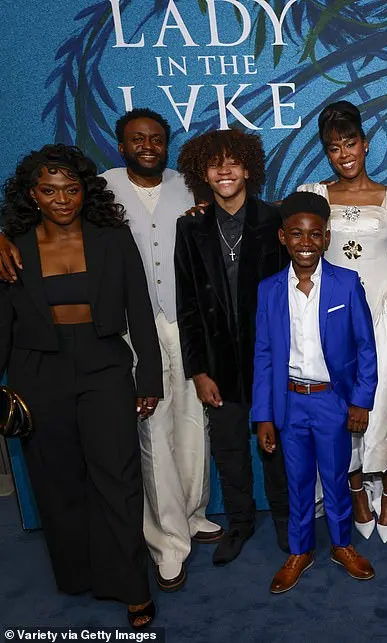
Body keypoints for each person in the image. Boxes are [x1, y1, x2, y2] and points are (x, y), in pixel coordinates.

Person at [0, 144, 161, 627]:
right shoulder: (14, 246)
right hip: (36, 371)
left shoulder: (112, 239)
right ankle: (77, 573)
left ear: (83, 191)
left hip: (104, 367)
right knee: (57, 478)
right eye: (49, 190)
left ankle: (132, 586)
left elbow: (141, 312)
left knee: (117, 478)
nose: (62, 199)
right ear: (33, 194)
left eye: (71, 189)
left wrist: (147, 376)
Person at [297, 101, 387, 543]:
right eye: (334, 147)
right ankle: (356, 489)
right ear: (327, 152)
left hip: (385, 311)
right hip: (330, 315)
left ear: (365, 143)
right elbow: (270, 225)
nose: (344, 153)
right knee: (340, 407)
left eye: (350, 142)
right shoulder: (314, 195)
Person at [103, 108, 222, 591]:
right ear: (122, 145)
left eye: (156, 139)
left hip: (184, 319)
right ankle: (167, 540)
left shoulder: (189, 184)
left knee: (195, 420)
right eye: (137, 139)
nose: (147, 146)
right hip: (134, 326)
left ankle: (192, 513)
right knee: (152, 427)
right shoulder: (100, 188)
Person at [174, 129, 289, 565]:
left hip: (270, 362)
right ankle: (239, 522)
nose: (224, 170)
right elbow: (187, 305)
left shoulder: (274, 221)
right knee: (229, 450)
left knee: (276, 446)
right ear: (201, 172)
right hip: (218, 366)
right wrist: (198, 371)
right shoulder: (190, 227)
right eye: (214, 163)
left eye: (233, 161)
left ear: (248, 168)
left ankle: (284, 517)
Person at [253, 191, 378, 591]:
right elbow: (264, 355)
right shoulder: (269, 289)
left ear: (326, 238)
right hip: (289, 401)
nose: (305, 242)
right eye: (296, 234)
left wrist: (360, 400)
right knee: (298, 480)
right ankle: (300, 549)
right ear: (282, 238)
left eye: (313, 235)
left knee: (336, 477)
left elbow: (366, 348)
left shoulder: (345, 283)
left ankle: (342, 545)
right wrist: (263, 415)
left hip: (331, 401)